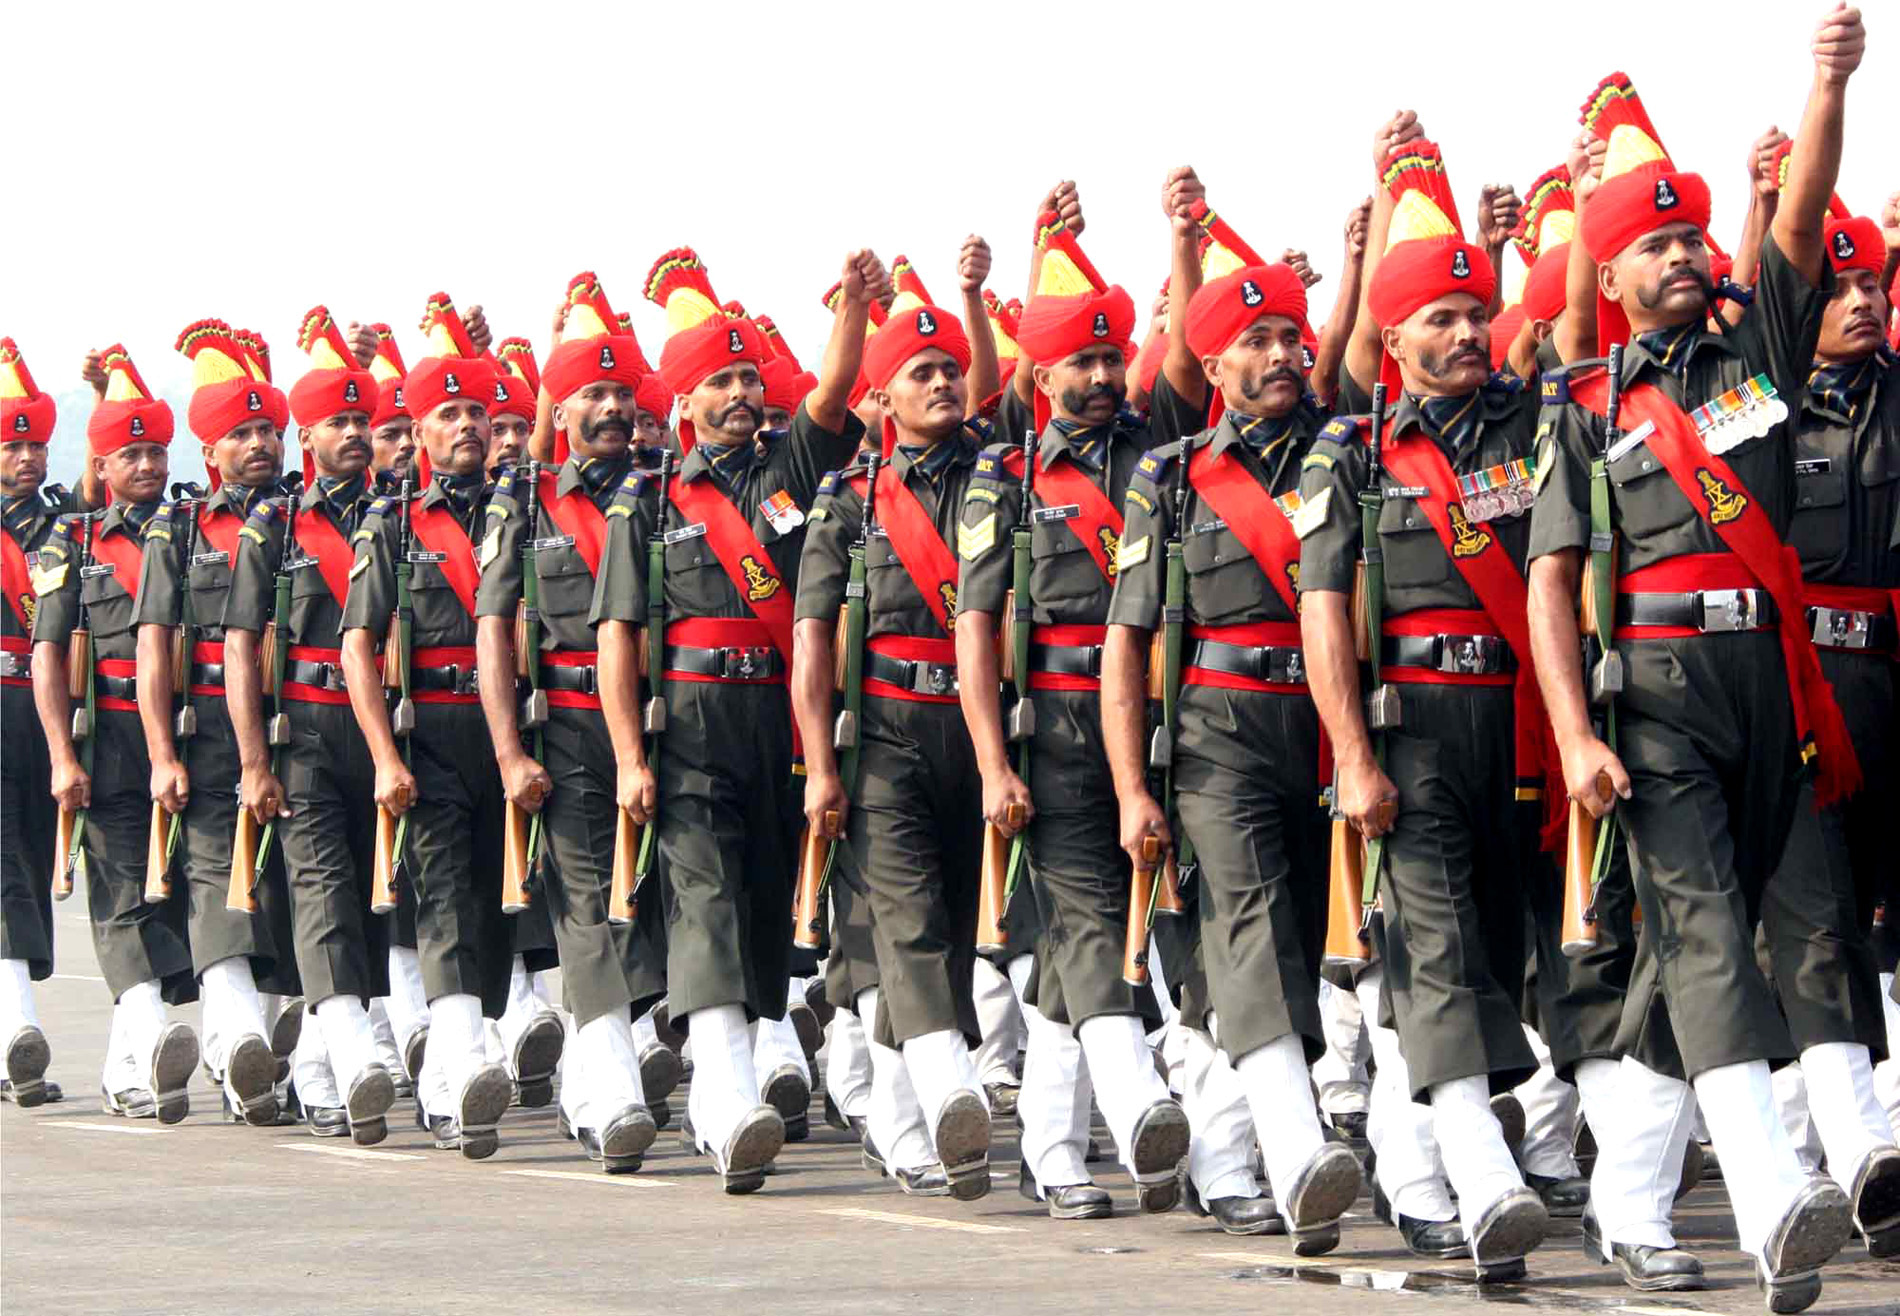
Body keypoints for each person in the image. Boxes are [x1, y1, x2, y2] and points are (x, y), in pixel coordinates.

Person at [1525, 9, 1875, 1308]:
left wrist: (1825, 84)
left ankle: (1627, 1206)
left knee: (1691, 960)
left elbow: (1802, 222)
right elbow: (1554, 587)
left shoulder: (1759, 359)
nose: (1680, 256)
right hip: (1656, 697)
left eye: (1689, 236)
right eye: (1652, 244)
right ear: (1607, 278)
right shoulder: (1582, 410)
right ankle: (1779, 1198)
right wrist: (1573, 735)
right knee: (1712, 936)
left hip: (1767, 689)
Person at [1299, 123, 1551, 1279]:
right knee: (1437, 946)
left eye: (1473, 313)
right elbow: (1321, 610)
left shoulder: (1538, 426)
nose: (1463, 333)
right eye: (1437, 319)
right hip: (1410, 728)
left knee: (1487, 957)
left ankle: (1408, 1157)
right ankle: (1484, 1174)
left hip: (1519, 728)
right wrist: (1350, 752)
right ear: (1389, 339)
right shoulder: (1348, 455)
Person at [1105, 166, 1365, 1249]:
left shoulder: (1344, 450)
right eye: (1251, 343)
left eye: (1288, 338)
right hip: (1215, 728)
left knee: (1289, 944)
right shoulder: (1167, 478)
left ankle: (1222, 1149)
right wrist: (1130, 785)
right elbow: (1128, 641)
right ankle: (1302, 1152)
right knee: (1251, 924)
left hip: (1323, 726)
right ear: (1209, 364)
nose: (1277, 358)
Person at [591, 247, 877, 1193]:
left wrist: (857, 309)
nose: (744, 392)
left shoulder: (790, 472)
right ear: (685, 402)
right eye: (722, 379)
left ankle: (732, 1093)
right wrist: (631, 754)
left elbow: (835, 398)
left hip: (780, 721)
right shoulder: (649, 499)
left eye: (750, 374)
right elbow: (621, 639)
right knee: (705, 897)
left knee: (761, 903)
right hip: (693, 728)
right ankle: (722, 1095)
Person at [954, 186, 1198, 1218]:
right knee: (1090, 916)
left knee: (1094, 936)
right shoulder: (1000, 478)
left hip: (1158, 717)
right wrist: (991, 762)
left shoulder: (1162, 443)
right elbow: (976, 624)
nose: (1102, 377)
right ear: (1037, 373)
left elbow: (1191, 349)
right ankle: (1137, 1098)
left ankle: (1050, 1149)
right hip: (1051, 724)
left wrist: (1184, 242)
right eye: (1080, 363)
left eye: (1111, 357)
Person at [794, 295, 997, 1200]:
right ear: (881, 399)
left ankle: (899, 1123)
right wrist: (823, 766)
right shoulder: (847, 498)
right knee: (907, 923)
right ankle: (953, 1090)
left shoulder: (1000, 475)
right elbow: (811, 639)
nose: (943, 380)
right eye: (921, 372)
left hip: (975, 722)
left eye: (950, 367)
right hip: (882, 733)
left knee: (953, 928)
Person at [475, 284, 670, 1173]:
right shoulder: (526, 501)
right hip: (570, 726)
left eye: (620, 391)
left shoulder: (664, 491)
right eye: (590, 393)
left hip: (669, 724)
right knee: (590, 906)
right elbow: (494, 626)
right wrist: (510, 749)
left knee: (653, 906)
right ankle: (616, 1089)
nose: (612, 407)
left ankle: (592, 1083)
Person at [338, 311, 526, 1161]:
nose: (467, 426)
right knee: (445, 893)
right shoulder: (390, 522)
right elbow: (357, 645)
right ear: (416, 433)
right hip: (430, 726)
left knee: (490, 900)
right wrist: (382, 755)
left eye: (477, 413)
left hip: (513, 727)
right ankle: (462, 1061)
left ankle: (454, 1073)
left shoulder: (523, 509)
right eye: (447, 415)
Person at [223, 310, 398, 1142]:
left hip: (388, 734)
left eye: (365, 420)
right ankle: (355, 1052)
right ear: (308, 436)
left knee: (371, 900)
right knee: (322, 890)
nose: (358, 434)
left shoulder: (402, 512)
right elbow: (240, 647)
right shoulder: (276, 525)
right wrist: (254, 762)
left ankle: (323, 1070)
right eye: (341, 422)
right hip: (307, 729)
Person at [132, 321, 302, 1126]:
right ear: (211, 452)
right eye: (242, 433)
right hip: (204, 731)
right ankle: (235, 1037)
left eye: (268, 428)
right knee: (215, 878)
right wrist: (162, 750)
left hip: (302, 722)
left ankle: (268, 1051)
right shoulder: (179, 529)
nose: (260, 443)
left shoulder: (310, 518)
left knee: (286, 888)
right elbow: (154, 648)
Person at [31, 345, 200, 1124]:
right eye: (129, 451)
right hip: (110, 736)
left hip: (192, 736)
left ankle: (123, 1061)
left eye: (155, 449)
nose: (146, 464)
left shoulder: (192, 526)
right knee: (121, 892)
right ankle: (144, 1036)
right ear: (100, 462)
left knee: (176, 898)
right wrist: (62, 754)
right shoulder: (73, 544)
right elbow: (46, 652)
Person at [1, 338, 71, 1107]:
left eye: (34, 444)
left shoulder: (62, 524)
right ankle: (14, 1025)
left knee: (30, 858)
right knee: (5, 869)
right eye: (13, 444)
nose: (26, 457)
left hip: (38, 709)